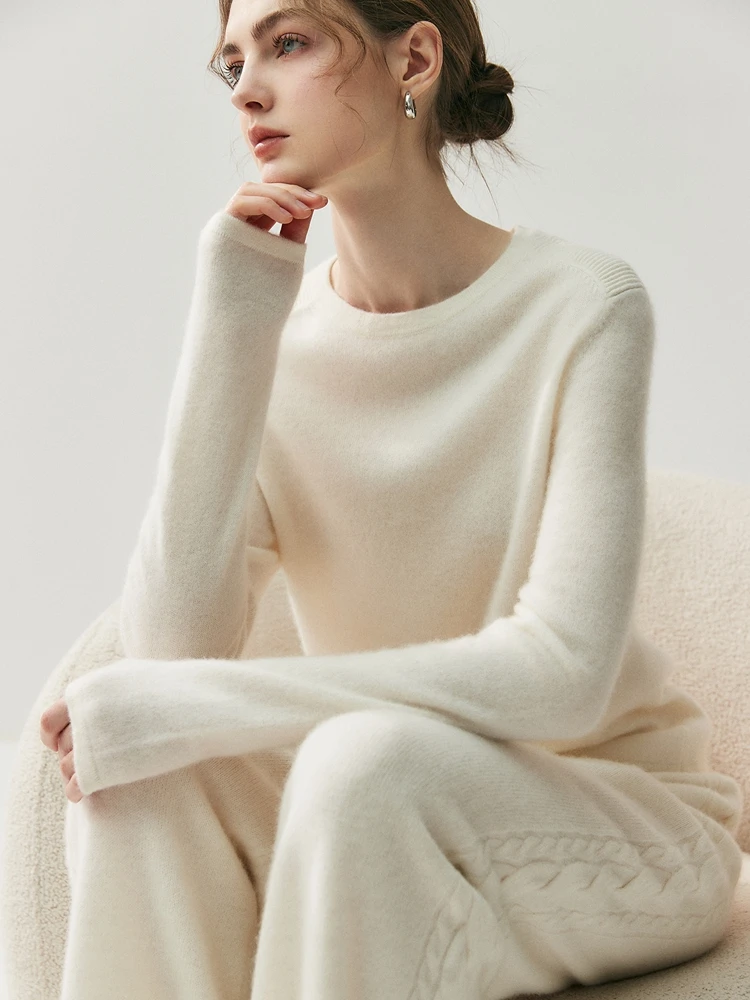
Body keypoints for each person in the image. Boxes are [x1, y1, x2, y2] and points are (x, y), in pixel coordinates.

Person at [40, 0, 744, 997]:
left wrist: (196, 708)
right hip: (373, 816)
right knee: (150, 769)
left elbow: (562, 676)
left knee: (356, 763)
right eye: (233, 62)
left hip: (618, 821)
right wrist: (231, 316)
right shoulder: (274, 335)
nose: (246, 89)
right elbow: (169, 650)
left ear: (413, 57)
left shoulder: (585, 306)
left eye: (288, 43)